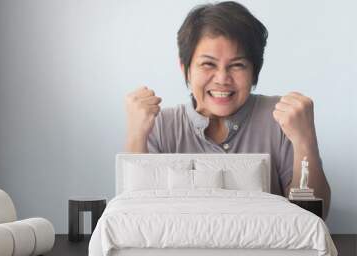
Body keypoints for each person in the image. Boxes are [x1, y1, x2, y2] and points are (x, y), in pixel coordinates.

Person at [124, 1, 331, 219]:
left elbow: (314, 218)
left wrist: (305, 139)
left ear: (254, 70)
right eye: (208, 64)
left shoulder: (282, 118)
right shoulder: (161, 125)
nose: (222, 79)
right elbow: (133, 217)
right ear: (185, 68)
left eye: (237, 65)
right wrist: (136, 136)